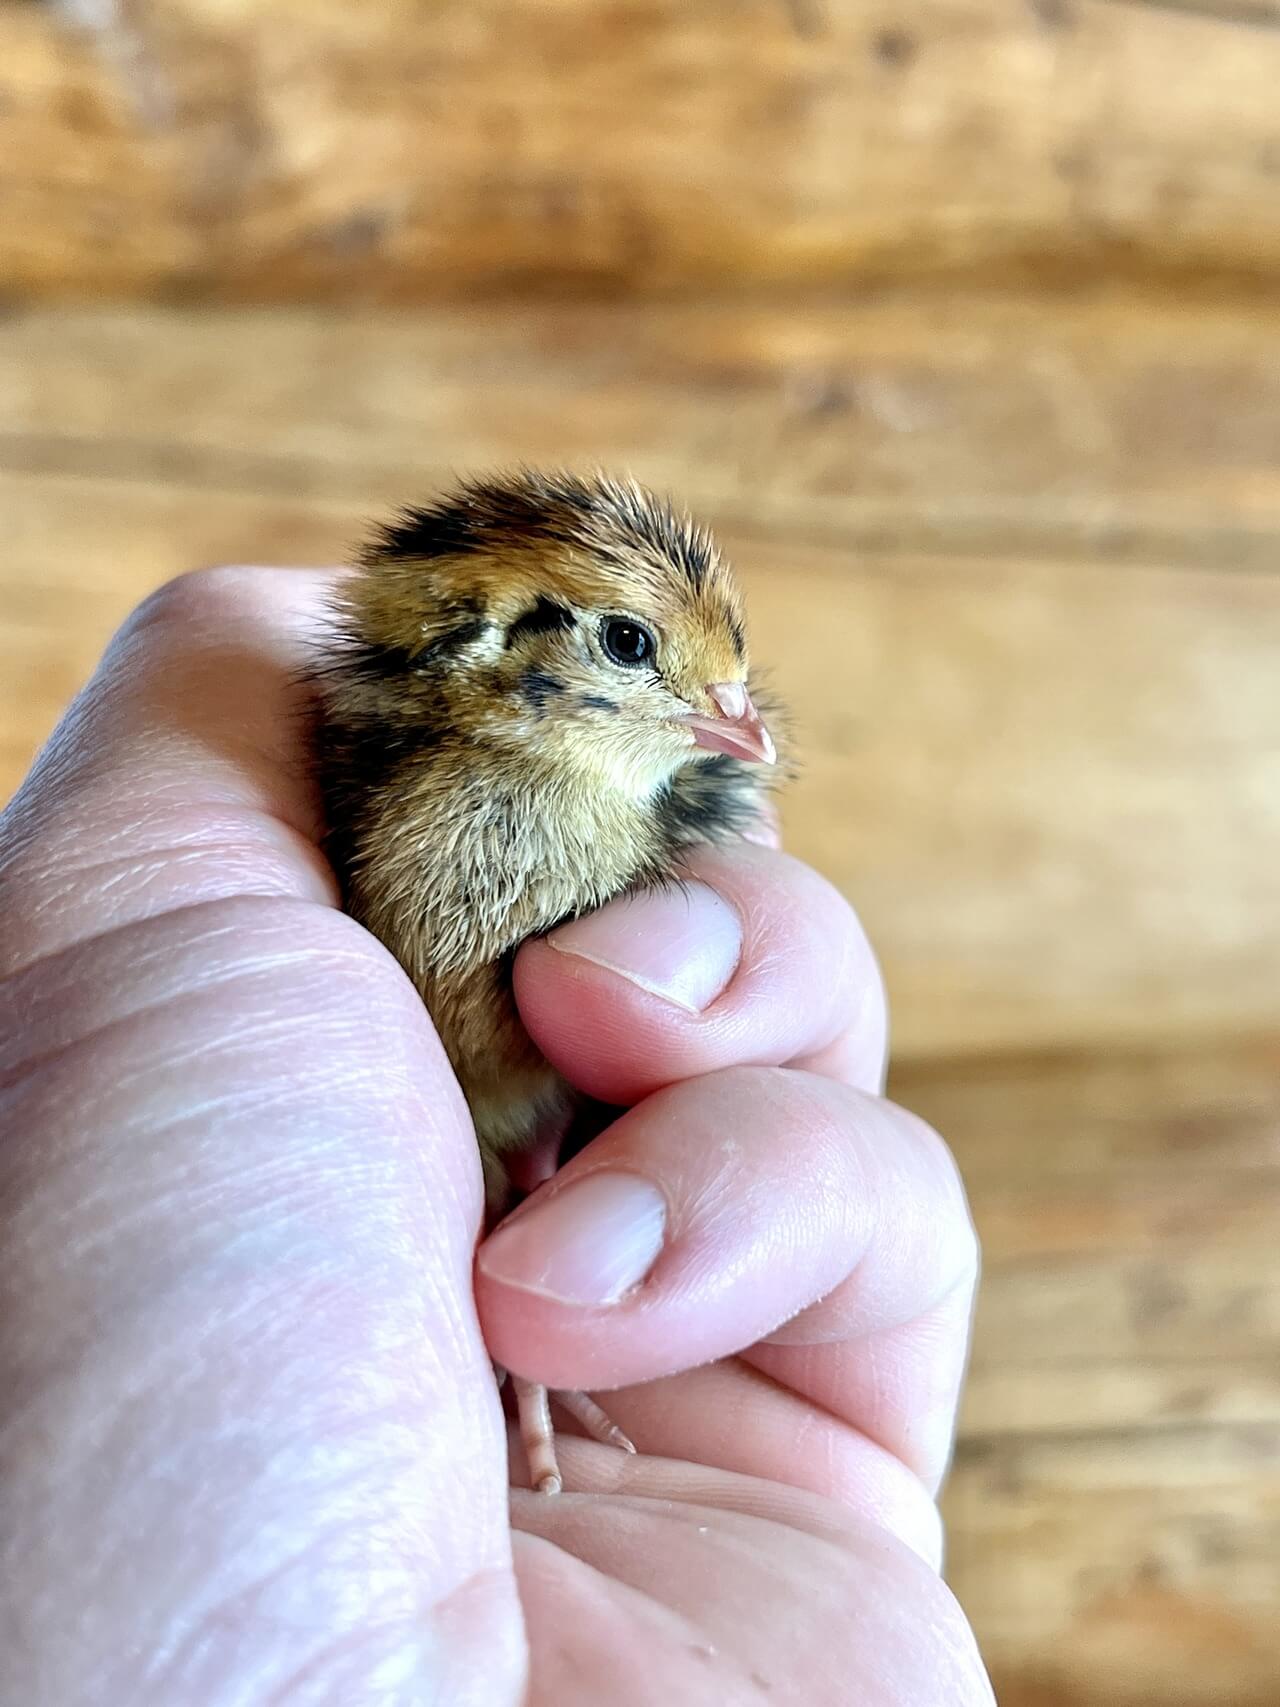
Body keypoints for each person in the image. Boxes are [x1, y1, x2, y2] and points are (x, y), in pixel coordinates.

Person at [0, 567, 993, 1703]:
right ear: (482, 638)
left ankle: (542, 1258)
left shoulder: (647, 823)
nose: (734, 711)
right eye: (631, 644)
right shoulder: (349, 776)